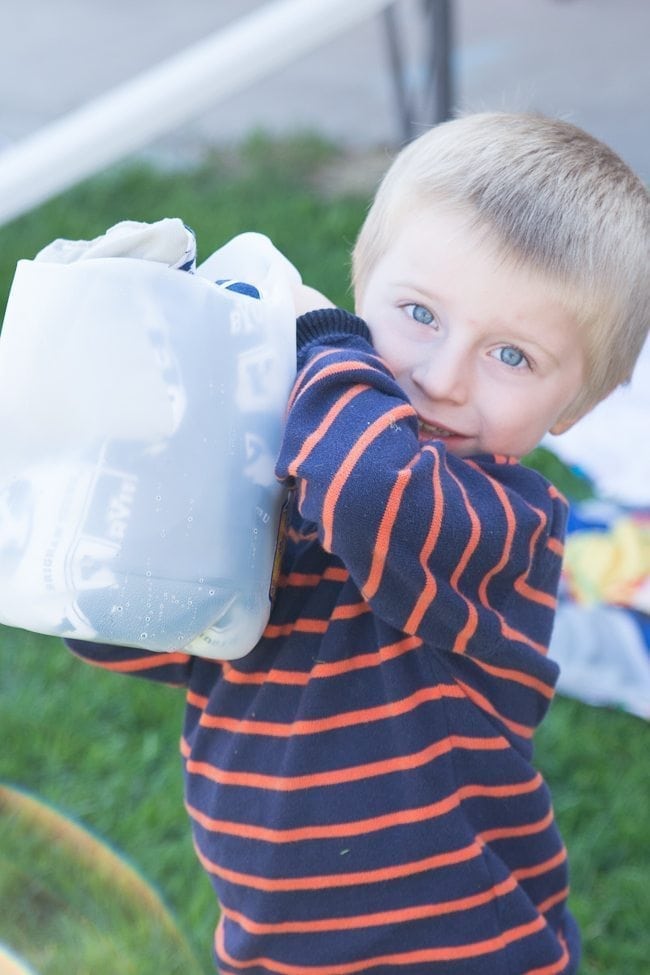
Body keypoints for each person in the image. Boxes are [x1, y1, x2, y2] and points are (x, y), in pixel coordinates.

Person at [66, 112, 649, 974]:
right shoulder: (299, 479)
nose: (443, 378)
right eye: (418, 313)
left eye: (513, 357)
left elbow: (374, 489)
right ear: (360, 280)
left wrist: (322, 340)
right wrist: (149, 392)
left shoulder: (502, 526)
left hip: (470, 952)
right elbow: (141, 635)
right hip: (275, 950)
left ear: (576, 409)